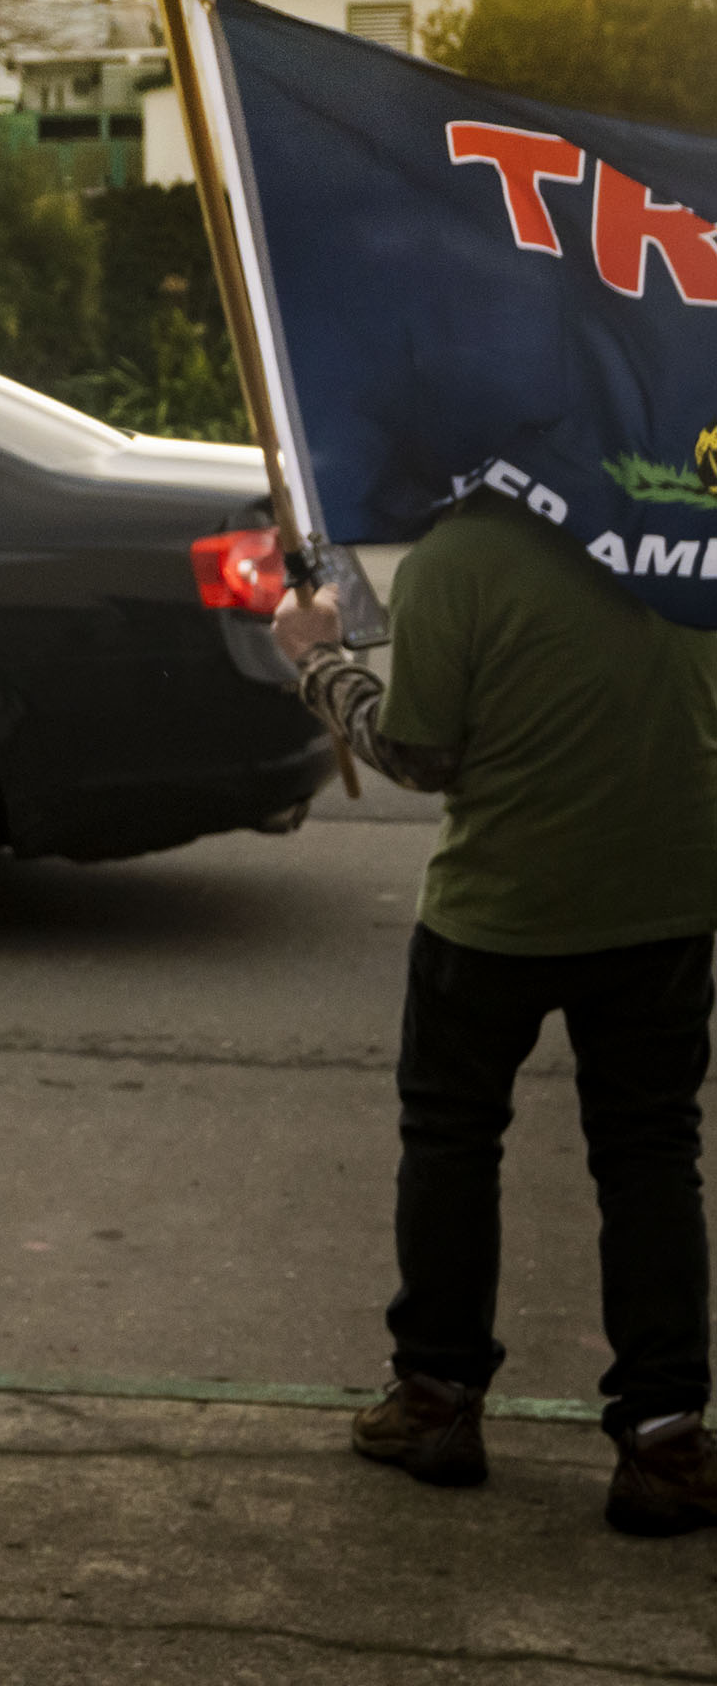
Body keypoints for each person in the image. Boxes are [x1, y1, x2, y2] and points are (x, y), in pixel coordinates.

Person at [274, 488, 717, 1535]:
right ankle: (664, 1438)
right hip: (668, 893)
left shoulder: (458, 553)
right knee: (652, 1149)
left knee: (451, 1138)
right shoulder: (690, 529)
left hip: (498, 908)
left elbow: (422, 753)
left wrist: (319, 664)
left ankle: (434, 1398)